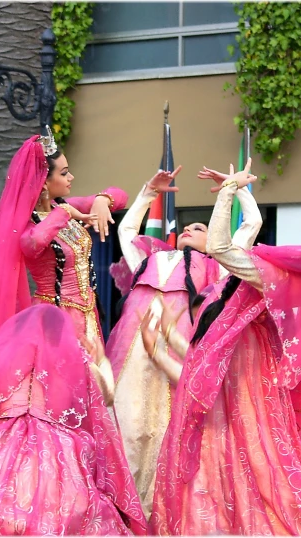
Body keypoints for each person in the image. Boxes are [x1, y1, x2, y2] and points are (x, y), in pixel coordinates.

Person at [149, 162, 301, 535]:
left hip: (244, 363)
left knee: (235, 443)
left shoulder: (285, 273)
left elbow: (222, 247)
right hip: (269, 365)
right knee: (259, 446)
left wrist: (228, 194)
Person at [105, 160, 262, 515]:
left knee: (165, 433)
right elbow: (127, 229)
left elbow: (251, 224)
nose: (189, 229)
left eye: (200, 227)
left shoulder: (217, 266)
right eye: (187, 226)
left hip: (177, 357)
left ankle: (160, 511)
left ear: (214, 240)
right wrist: (149, 192)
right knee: (129, 428)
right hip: (131, 355)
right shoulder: (149, 257)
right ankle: (123, 511)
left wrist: (237, 189)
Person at [0, 304, 147, 535]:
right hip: (58, 453)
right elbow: (105, 394)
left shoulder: (2, 360)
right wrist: (101, 361)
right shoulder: (73, 360)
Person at [0, 130, 128, 366]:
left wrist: (103, 199)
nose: (71, 177)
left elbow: (120, 195)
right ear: (43, 182)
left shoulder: (66, 206)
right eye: (64, 173)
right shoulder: (32, 223)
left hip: (88, 314)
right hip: (55, 317)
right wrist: (65, 213)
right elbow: (32, 244)